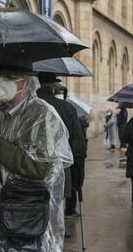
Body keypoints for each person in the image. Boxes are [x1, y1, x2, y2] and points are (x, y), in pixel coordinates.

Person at [0, 73, 73, 252]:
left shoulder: (41, 114)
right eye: (1, 76)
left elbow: (40, 166)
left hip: (27, 213)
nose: (2, 82)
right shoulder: (4, 115)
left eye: (9, 77)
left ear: (26, 83)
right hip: (6, 210)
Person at [36, 75, 87, 219]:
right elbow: (78, 145)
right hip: (60, 167)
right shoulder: (67, 108)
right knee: (56, 209)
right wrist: (78, 173)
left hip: (30, 170)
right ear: (53, 88)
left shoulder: (26, 106)